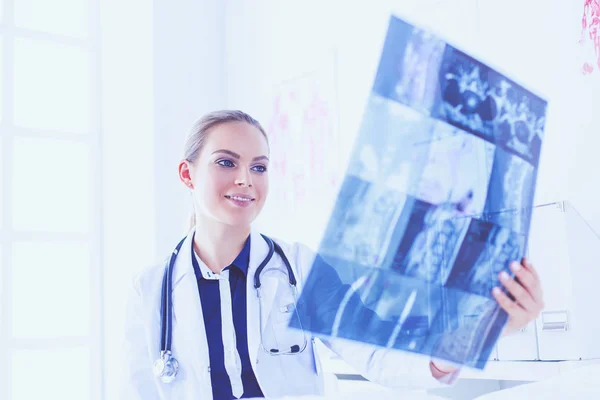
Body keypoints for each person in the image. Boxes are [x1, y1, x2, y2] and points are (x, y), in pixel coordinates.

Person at [120, 110, 545, 399]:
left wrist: (479, 333)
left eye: (260, 166)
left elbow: (377, 352)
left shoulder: (299, 270)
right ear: (187, 174)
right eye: (227, 163)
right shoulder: (150, 289)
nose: (246, 179)